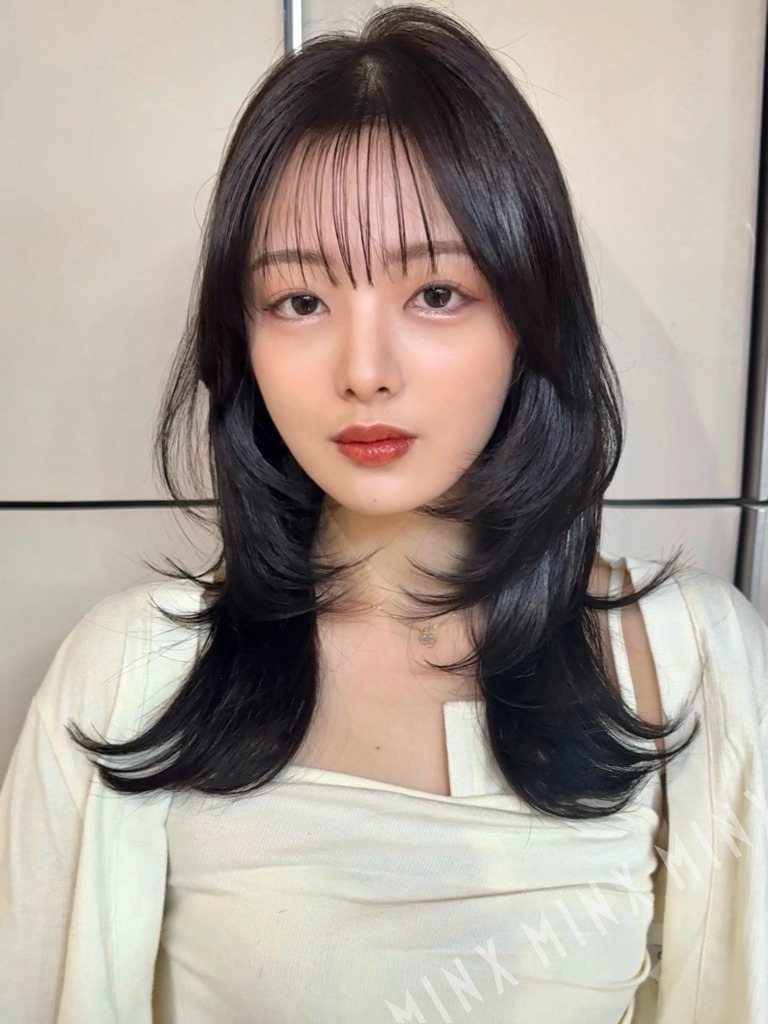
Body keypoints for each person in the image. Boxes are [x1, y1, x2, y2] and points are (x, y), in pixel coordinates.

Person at [1, 6, 766, 1023]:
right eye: (300, 302)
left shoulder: (692, 663)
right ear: (242, 337)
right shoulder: (130, 675)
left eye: (437, 292)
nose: (364, 371)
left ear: (530, 315)